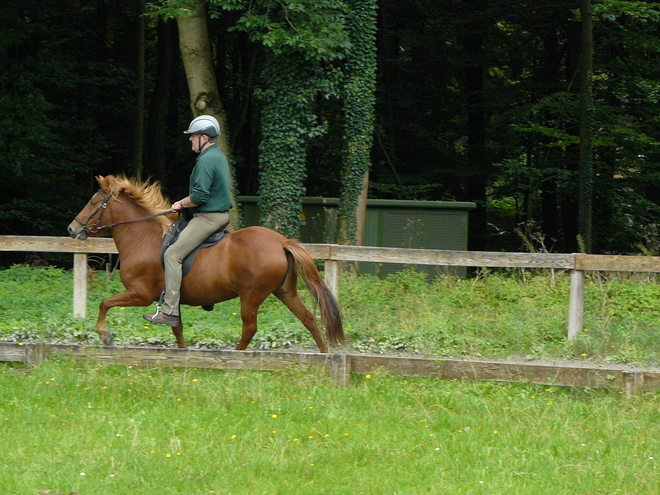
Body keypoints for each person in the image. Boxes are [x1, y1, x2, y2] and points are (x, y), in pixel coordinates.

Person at [143, 115, 233, 327]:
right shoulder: (217, 156)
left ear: (204, 137)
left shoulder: (206, 160)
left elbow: (200, 196)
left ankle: (169, 310)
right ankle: (206, 294)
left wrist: (180, 204)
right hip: (216, 215)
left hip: (209, 217)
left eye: (193, 136)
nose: (190, 140)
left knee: (173, 255)